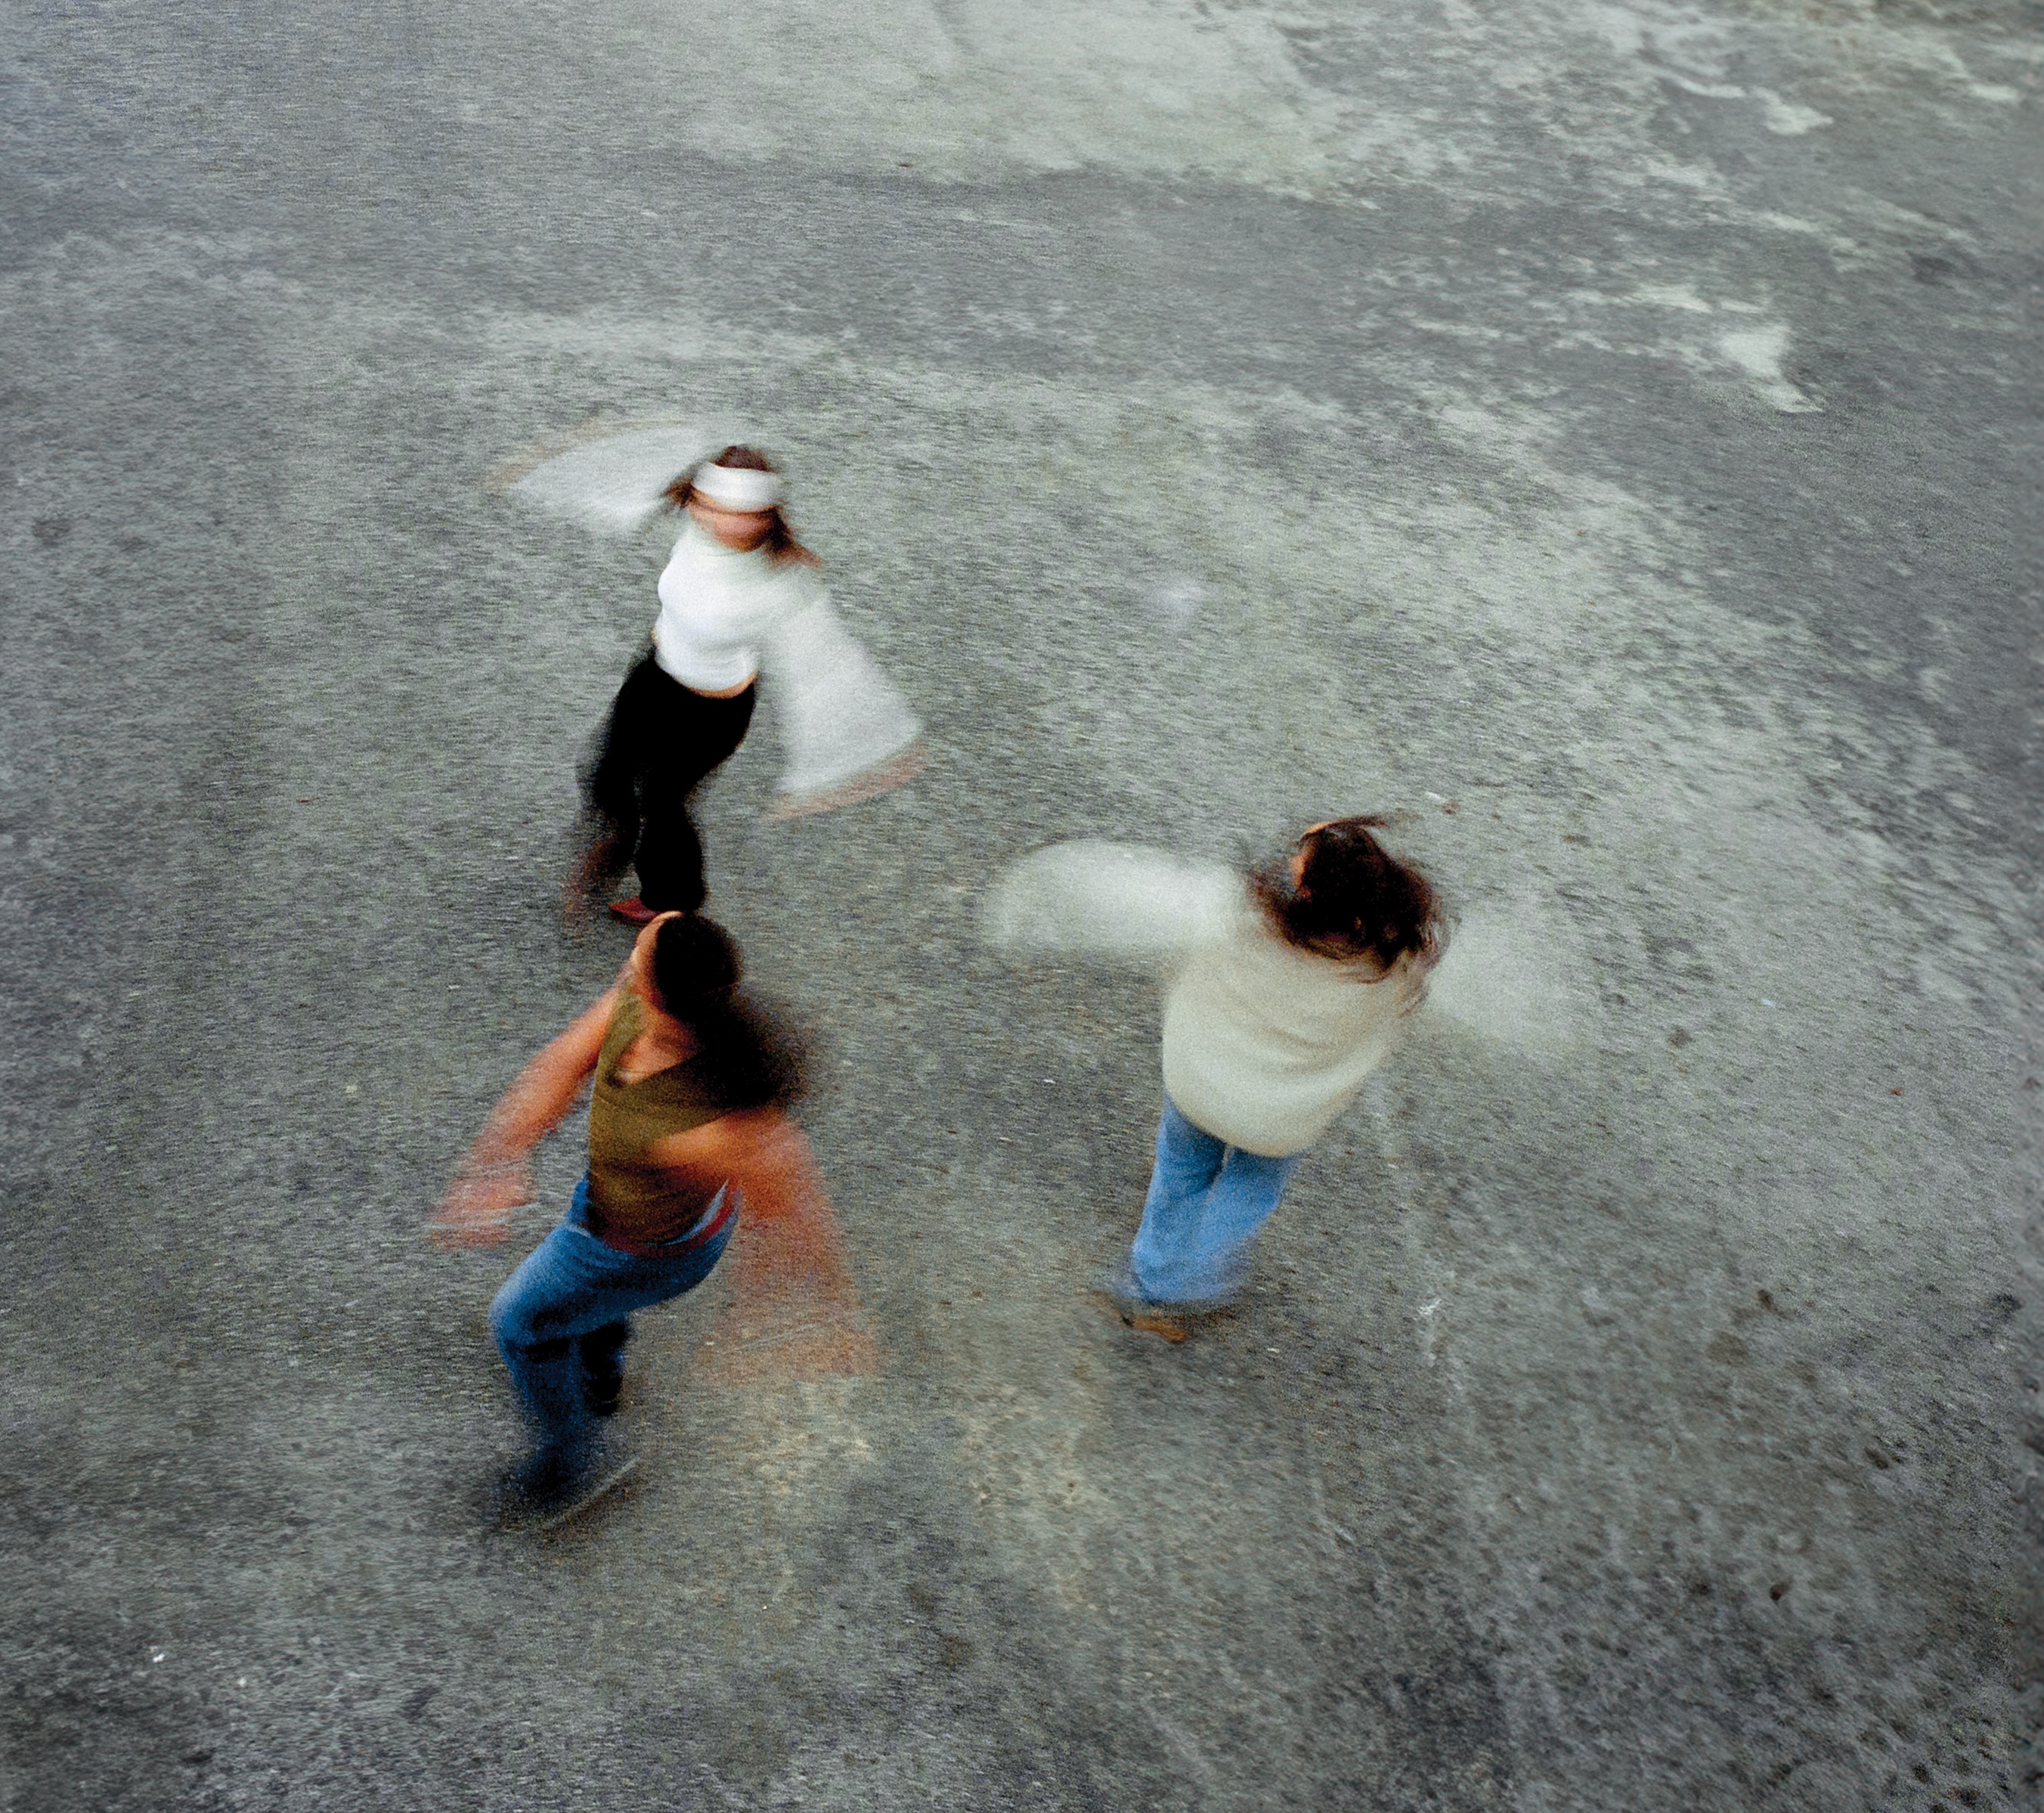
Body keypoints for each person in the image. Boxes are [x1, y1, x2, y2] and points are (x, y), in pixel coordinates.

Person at [430, 911, 872, 1526]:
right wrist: (500, 1159)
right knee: (584, 1310)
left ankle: (571, 1467)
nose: (630, 957)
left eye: (638, 959)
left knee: (518, 1322)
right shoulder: (647, 996)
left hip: (643, 1250)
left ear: (659, 999)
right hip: (611, 1208)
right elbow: (565, 1061)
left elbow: (793, 1195)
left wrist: (823, 1313)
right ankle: (598, 1376)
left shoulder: (710, 1127)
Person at [983, 817, 1446, 1341]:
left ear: (1307, 892)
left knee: (1180, 1170)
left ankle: (1152, 1275)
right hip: (1283, 1117)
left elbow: (1129, 897)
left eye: (1301, 856)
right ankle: (1188, 1278)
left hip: (1201, 1086)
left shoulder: (1238, 919)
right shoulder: (1389, 970)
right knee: (1251, 1188)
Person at [567, 445, 921, 926]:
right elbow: (625, 488)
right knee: (609, 770)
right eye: (710, 508)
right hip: (654, 672)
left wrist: (840, 765)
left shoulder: (779, 581)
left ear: (765, 517)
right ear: (694, 501)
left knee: (664, 803)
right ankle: (618, 840)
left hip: (708, 715)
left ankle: (673, 895)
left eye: (742, 515)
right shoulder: (696, 519)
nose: (723, 524)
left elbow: (822, 671)